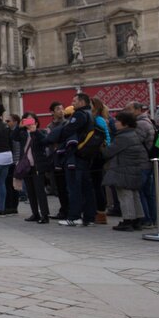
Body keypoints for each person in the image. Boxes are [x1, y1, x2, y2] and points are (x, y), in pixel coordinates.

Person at [54, 93, 97, 227]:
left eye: (75, 101)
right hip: (85, 155)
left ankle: (74, 216)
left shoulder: (79, 114)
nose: (73, 103)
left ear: (82, 102)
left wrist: (57, 135)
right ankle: (89, 217)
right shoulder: (91, 113)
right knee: (86, 188)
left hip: (76, 155)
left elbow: (68, 130)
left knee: (74, 188)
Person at [103, 112, 150, 231]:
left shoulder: (123, 137)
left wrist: (103, 147)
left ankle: (127, 220)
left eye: (118, 121)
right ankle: (138, 219)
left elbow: (108, 152)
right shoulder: (133, 134)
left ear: (125, 124)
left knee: (125, 195)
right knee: (135, 194)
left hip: (124, 169)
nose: (115, 123)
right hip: (134, 168)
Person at [124, 101, 156, 228]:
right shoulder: (147, 121)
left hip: (141, 162)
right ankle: (153, 219)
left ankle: (147, 219)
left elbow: (134, 142)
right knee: (149, 193)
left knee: (141, 192)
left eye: (129, 109)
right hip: (146, 162)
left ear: (138, 110)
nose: (126, 111)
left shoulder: (140, 124)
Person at [14, 113, 51, 224]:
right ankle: (35, 213)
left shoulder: (41, 132)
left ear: (36, 121)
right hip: (26, 166)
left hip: (37, 165)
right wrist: (19, 127)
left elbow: (45, 142)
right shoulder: (23, 133)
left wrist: (35, 131)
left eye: (31, 120)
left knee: (40, 191)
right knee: (30, 191)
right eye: (27, 120)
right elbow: (13, 137)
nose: (29, 122)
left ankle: (45, 215)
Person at [89, 97, 112, 225]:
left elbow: (106, 138)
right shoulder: (99, 119)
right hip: (98, 154)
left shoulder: (98, 120)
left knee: (97, 185)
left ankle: (101, 212)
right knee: (96, 184)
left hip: (97, 155)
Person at [5, 114, 22, 215]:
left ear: (15, 121)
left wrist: (15, 162)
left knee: (11, 185)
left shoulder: (15, 133)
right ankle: (13, 206)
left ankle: (11, 206)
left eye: (8, 121)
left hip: (14, 162)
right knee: (13, 185)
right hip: (15, 161)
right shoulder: (14, 132)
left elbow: (16, 149)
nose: (7, 123)